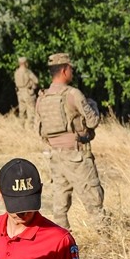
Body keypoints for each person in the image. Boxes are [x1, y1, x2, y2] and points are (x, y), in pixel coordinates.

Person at [35, 53, 103, 229]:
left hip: (54, 157)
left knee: (60, 205)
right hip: (77, 155)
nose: (72, 71)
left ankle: (61, 242)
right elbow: (93, 121)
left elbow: (38, 130)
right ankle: (107, 241)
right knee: (94, 200)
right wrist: (93, 105)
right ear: (64, 70)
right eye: (71, 68)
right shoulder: (73, 94)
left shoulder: (42, 98)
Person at [13, 57, 38, 127]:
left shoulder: (16, 72)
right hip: (27, 92)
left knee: (22, 110)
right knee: (31, 110)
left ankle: (21, 126)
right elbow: (36, 80)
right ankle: (31, 127)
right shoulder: (27, 72)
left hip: (19, 93)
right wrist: (33, 86)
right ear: (25, 63)